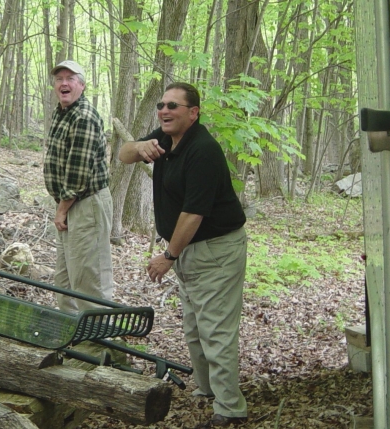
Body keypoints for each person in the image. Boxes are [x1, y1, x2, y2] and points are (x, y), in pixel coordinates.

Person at [118, 82, 248, 428]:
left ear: (193, 113)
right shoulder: (164, 138)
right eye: (161, 105)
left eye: (173, 106)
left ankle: (230, 409)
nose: (164, 111)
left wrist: (168, 256)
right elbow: (123, 154)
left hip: (216, 249)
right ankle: (207, 390)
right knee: (194, 325)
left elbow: (194, 214)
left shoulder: (203, 150)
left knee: (216, 329)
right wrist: (140, 146)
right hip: (189, 250)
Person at [43, 60, 113, 313]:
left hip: (86, 204)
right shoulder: (62, 113)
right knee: (65, 280)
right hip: (71, 203)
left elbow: (77, 172)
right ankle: (74, 341)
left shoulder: (83, 116)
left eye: (70, 78)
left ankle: (101, 347)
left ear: (81, 85)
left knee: (89, 281)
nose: (63, 83)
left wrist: (61, 210)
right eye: (59, 79)